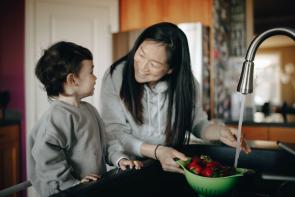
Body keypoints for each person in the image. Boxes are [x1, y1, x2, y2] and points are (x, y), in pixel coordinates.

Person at [100, 22, 251, 174]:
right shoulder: (116, 76)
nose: (142, 67)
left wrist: (220, 132)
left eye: (154, 64)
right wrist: (158, 151)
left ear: (171, 69)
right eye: (141, 54)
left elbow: (198, 123)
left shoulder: (187, 84)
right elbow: (114, 133)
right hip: (127, 167)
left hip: (168, 163)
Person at [27, 41, 142, 196]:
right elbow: (48, 163)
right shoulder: (55, 119)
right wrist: (72, 185)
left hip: (93, 189)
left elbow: (106, 144)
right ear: (72, 80)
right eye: (91, 72)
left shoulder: (90, 110)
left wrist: (119, 159)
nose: (95, 78)